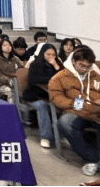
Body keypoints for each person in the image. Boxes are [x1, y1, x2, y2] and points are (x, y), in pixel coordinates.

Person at [50, 47, 100, 176]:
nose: (85, 69)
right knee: (64, 123)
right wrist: (74, 104)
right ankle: (93, 159)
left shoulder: (96, 76)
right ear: (73, 61)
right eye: (81, 65)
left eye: (88, 66)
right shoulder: (59, 77)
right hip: (75, 113)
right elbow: (56, 97)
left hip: (96, 113)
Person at [22, 44, 64, 149]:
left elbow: (63, 78)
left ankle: (59, 134)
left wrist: (56, 66)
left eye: (53, 54)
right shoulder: (35, 64)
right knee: (42, 106)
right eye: (48, 54)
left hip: (49, 94)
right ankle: (46, 137)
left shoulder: (57, 64)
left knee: (61, 105)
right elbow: (34, 79)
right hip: (33, 95)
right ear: (42, 54)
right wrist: (52, 79)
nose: (51, 57)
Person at [0, 39, 24, 103]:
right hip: (1, 84)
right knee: (10, 92)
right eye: (5, 45)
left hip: (15, 82)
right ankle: (12, 108)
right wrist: (8, 80)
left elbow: (21, 68)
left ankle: (21, 106)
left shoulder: (14, 58)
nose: (7, 47)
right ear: (1, 47)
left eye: (9, 45)